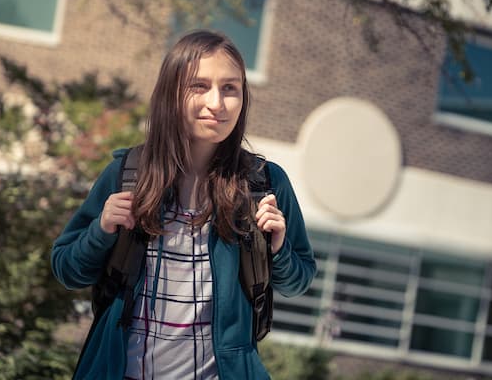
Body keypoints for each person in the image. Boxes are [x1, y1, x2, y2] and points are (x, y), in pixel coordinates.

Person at [51, 30, 317, 380]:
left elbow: (298, 281)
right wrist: (101, 230)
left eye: (230, 88)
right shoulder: (127, 175)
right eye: (199, 86)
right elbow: (67, 270)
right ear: (172, 93)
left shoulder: (265, 183)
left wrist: (279, 247)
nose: (216, 103)